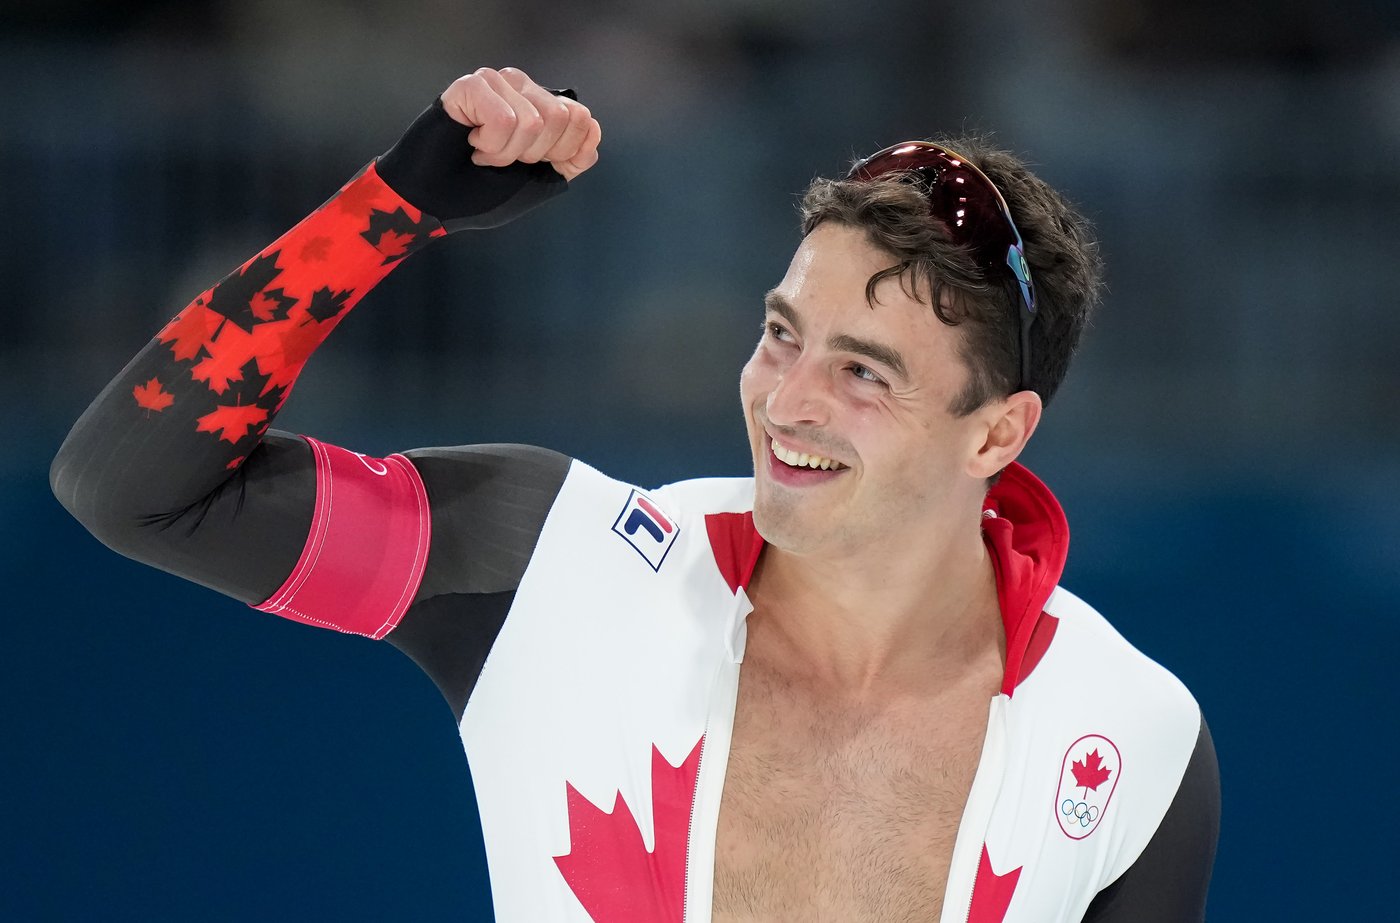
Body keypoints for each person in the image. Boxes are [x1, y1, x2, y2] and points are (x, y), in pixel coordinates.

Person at [52, 66, 1219, 922]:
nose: (787, 399)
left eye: (863, 370)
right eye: (780, 333)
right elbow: (134, 487)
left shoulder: (1126, 736)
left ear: (997, 434)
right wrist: (391, 210)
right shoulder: (545, 563)